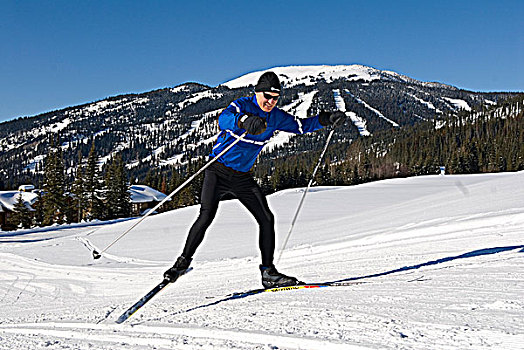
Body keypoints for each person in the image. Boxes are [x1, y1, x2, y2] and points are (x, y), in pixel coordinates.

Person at [164, 71, 346, 288]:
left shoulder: (276, 117)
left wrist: (327, 118)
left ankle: (268, 272)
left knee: (266, 219)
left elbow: (302, 126)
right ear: (257, 93)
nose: (270, 102)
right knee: (206, 217)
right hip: (217, 171)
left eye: (275, 98)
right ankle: (181, 264)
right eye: (266, 96)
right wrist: (244, 121)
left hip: (241, 177)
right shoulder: (242, 106)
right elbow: (224, 119)